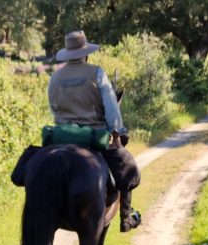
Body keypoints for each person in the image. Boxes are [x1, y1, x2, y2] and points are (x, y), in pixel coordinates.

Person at [49, 30, 142, 232]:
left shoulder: (55, 77)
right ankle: (126, 217)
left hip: (62, 135)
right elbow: (111, 107)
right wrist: (117, 130)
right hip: (94, 136)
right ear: (85, 53)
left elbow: (54, 108)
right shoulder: (97, 73)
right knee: (128, 170)